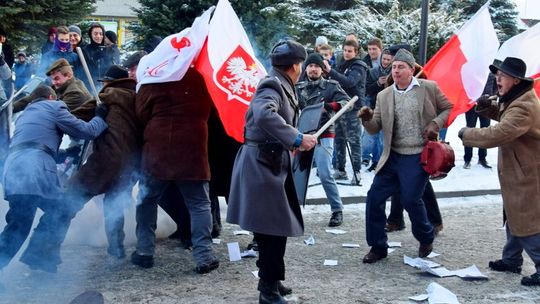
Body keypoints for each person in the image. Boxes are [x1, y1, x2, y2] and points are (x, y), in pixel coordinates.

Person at [227, 40, 316, 304]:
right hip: (262, 165)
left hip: (271, 163)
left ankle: (273, 280)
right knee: (270, 230)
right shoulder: (271, 85)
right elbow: (264, 115)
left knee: (276, 227)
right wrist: (297, 138)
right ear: (296, 66)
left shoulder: (281, 82)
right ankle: (267, 290)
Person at [358, 48, 452, 263]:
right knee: (374, 197)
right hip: (393, 156)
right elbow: (375, 128)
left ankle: (426, 237)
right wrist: (367, 118)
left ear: (411, 70)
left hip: (418, 155)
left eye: (401, 67)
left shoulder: (428, 88)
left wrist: (435, 123)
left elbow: (448, 108)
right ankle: (378, 246)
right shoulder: (384, 95)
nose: (396, 71)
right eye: (394, 67)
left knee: (410, 199)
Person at [0, 85, 108, 273]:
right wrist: (100, 116)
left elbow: (34, 144)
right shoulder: (54, 106)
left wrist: (65, 153)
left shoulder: (26, 114)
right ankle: (40, 256)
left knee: (42, 216)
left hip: (14, 169)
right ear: (51, 96)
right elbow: (87, 131)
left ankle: (41, 257)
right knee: (46, 216)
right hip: (33, 171)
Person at [38, 65, 138, 260]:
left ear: (111, 83)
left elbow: (75, 115)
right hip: (130, 164)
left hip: (104, 160)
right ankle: (116, 248)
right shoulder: (138, 99)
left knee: (69, 201)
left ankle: (43, 252)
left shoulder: (107, 96)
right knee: (113, 204)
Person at [459, 57, 540, 286]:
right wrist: (487, 108)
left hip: (527, 173)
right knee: (514, 216)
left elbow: (500, 133)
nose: (498, 79)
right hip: (518, 171)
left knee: (527, 221)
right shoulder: (516, 98)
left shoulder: (524, 106)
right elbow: (505, 116)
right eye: (497, 75)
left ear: (515, 80)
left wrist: (467, 134)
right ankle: (511, 259)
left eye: (502, 76)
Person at [134, 67, 219, 273]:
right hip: (193, 146)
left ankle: (144, 251)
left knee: (147, 200)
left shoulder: (155, 75)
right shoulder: (203, 77)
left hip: (158, 147)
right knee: (199, 204)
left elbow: (141, 112)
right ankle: (204, 255)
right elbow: (214, 110)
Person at [296, 53, 349, 227]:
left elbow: (348, 103)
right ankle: (292, 211)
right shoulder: (298, 87)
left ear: (322, 69)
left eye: (317, 66)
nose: (313, 69)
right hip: (302, 136)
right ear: (306, 68)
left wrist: (330, 106)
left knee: (325, 173)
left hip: (324, 134)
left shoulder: (331, 86)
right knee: (294, 174)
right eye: (310, 66)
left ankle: (337, 210)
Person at [325, 39, 367, 185]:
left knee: (354, 141)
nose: (347, 53)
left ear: (356, 52)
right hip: (339, 107)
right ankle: (340, 170)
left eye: (350, 51)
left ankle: (357, 172)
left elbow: (349, 82)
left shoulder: (359, 66)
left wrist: (331, 71)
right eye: (345, 50)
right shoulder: (340, 65)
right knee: (339, 140)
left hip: (353, 108)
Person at [15, 58, 92, 113]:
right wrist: (12, 108)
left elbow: (53, 113)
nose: (54, 82)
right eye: (52, 79)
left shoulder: (75, 93)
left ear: (68, 75)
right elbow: (33, 97)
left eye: (56, 78)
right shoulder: (60, 86)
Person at [362, 47, 393, 171]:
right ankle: (372, 160)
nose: (385, 62)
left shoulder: (395, 72)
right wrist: (378, 83)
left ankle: (380, 161)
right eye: (384, 59)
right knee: (371, 137)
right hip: (374, 106)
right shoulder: (373, 72)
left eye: (388, 60)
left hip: (388, 108)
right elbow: (367, 89)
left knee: (382, 139)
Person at [463, 72, 497, 169]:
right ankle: (467, 159)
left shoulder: (491, 74)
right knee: (469, 131)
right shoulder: (471, 73)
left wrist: (491, 96)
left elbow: (496, 88)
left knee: (485, 131)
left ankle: (482, 158)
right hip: (472, 106)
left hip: (486, 106)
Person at [83, 23, 116, 90]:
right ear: (91, 35)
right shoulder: (85, 50)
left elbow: (113, 67)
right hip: (90, 85)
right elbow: (83, 70)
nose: (98, 36)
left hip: (106, 86)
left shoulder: (109, 50)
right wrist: (94, 58)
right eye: (95, 34)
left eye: (101, 34)